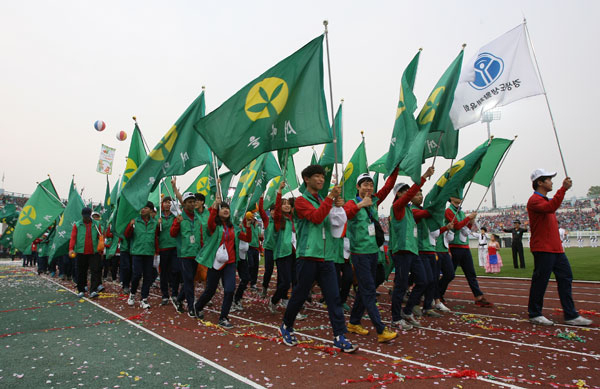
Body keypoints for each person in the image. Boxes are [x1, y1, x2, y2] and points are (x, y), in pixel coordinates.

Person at [279, 164, 358, 353]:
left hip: (327, 257)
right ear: (306, 179)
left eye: (323, 176)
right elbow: (315, 217)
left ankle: (340, 335)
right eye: (317, 176)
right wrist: (330, 200)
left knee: (334, 297)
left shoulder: (324, 199)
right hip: (308, 256)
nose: (321, 179)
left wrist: (339, 207)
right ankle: (286, 326)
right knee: (299, 295)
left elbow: (336, 221)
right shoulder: (300, 201)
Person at [527, 169, 592, 326]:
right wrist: (563, 189)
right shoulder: (534, 200)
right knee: (541, 281)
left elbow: (551, 206)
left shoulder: (546, 200)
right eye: (548, 179)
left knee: (565, 278)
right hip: (543, 248)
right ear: (540, 182)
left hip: (556, 249)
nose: (551, 181)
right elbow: (551, 207)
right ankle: (535, 313)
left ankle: (570, 314)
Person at [342, 169, 399, 343]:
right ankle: (381, 330)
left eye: (371, 184)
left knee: (366, 288)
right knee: (368, 290)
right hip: (360, 254)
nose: (369, 187)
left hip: (374, 252)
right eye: (365, 184)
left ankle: (353, 322)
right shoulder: (351, 203)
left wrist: (396, 167)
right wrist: (361, 204)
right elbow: (345, 214)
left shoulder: (374, 200)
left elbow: (388, 187)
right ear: (358, 187)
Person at [194, 194, 252, 328]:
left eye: (227, 209)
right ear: (218, 212)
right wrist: (215, 204)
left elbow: (247, 239)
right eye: (223, 208)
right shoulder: (214, 226)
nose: (226, 210)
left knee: (230, 289)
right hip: (216, 263)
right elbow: (209, 223)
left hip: (230, 263)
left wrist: (248, 227)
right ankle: (198, 306)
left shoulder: (234, 228)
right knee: (211, 290)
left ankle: (223, 317)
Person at [389, 166, 435, 328]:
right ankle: (396, 318)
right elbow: (409, 196)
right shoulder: (397, 208)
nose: (408, 193)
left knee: (423, 281)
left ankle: (407, 312)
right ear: (398, 195)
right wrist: (423, 177)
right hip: (402, 251)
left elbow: (425, 214)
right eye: (404, 191)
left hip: (412, 251)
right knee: (401, 286)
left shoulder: (409, 211)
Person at [446, 195, 492, 307]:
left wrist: (471, 221)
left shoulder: (461, 212)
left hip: (465, 246)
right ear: (451, 198)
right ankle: (437, 293)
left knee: (471, 273)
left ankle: (478, 296)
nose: (460, 196)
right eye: (457, 194)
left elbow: (465, 230)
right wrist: (468, 218)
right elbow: (457, 226)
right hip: (455, 246)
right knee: (449, 274)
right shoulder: (449, 211)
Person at [170, 192, 200, 316]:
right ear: (184, 204)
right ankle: (191, 306)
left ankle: (179, 299)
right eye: (189, 202)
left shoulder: (198, 216)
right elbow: (172, 234)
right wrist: (177, 223)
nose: (192, 204)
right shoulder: (180, 217)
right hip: (185, 254)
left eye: (193, 202)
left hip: (197, 254)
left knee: (191, 279)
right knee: (188, 280)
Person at [124, 201, 158, 309]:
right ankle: (132, 294)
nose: (143, 209)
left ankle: (144, 299)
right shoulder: (135, 221)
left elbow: (157, 237)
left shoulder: (155, 223)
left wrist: (156, 251)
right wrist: (130, 226)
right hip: (137, 252)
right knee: (137, 274)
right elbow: (127, 235)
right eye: (142, 207)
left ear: (151, 211)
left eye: (146, 208)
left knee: (148, 276)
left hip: (149, 252)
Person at [69, 207, 103, 298]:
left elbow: (100, 237)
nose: (86, 218)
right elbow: (73, 238)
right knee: (81, 271)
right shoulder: (77, 225)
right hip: (81, 251)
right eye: (84, 216)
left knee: (95, 271)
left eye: (87, 216)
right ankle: (81, 289)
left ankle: (93, 290)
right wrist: (71, 249)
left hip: (94, 252)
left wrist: (101, 247)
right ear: (82, 215)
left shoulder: (96, 224)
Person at [157, 196, 179, 306]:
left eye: (169, 202)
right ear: (161, 204)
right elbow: (155, 233)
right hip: (163, 248)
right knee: (164, 273)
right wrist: (157, 224)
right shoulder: (158, 217)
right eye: (165, 202)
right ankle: (165, 295)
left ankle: (175, 293)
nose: (167, 204)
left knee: (175, 271)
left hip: (174, 247)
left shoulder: (175, 217)